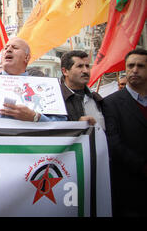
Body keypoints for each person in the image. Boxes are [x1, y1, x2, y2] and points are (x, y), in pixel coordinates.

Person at [102, 48, 147, 217]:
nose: (134, 70)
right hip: (129, 187)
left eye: (140, 66)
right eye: (130, 66)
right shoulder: (111, 103)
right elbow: (114, 142)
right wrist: (142, 166)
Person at [60, 50, 104, 127]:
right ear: (65, 71)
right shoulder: (55, 99)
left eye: (87, 66)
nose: (86, 71)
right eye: (80, 66)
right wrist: (77, 126)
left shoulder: (97, 98)